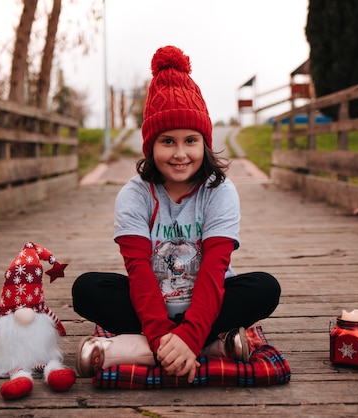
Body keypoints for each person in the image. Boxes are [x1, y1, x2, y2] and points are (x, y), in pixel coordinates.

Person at [71, 45, 281, 384]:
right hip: (149, 306)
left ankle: (141, 349)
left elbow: (215, 270)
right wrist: (162, 336)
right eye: (167, 141)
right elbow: (138, 272)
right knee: (86, 289)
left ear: (205, 144)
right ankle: (210, 347)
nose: (180, 153)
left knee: (265, 288)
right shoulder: (134, 195)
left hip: (210, 305)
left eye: (190, 141)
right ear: (151, 147)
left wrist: (189, 335)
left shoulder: (220, 191)